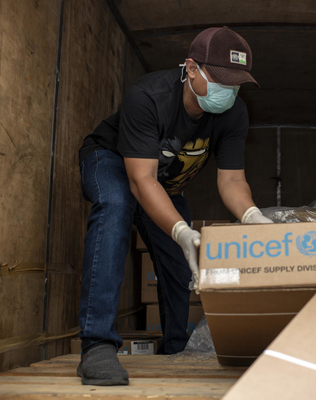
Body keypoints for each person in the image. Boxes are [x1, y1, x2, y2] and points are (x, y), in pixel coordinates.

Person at [76, 27, 272, 386]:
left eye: (237, 84)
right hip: (113, 161)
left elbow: (230, 181)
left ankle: (176, 346)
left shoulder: (233, 113)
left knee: (182, 256)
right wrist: (180, 228)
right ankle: (97, 345)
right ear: (192, 68)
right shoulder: (149, 97)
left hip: (163, 180)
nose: (229, 92)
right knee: (116, 206)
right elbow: (141, 180)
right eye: (222, 80)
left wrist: (253, 217)